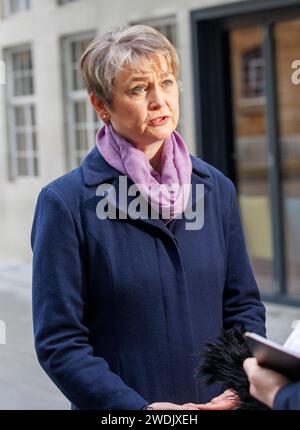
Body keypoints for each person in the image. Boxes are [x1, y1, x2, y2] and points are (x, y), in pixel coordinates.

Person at [31, 25, 266, 411]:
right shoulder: (66, 203)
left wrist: (238, 389)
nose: (160, 101)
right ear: (101, 105)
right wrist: (139, 411)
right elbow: (60, 342)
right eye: (139, 89)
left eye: (167, 83)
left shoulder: (216, 189)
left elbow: (243, 307)